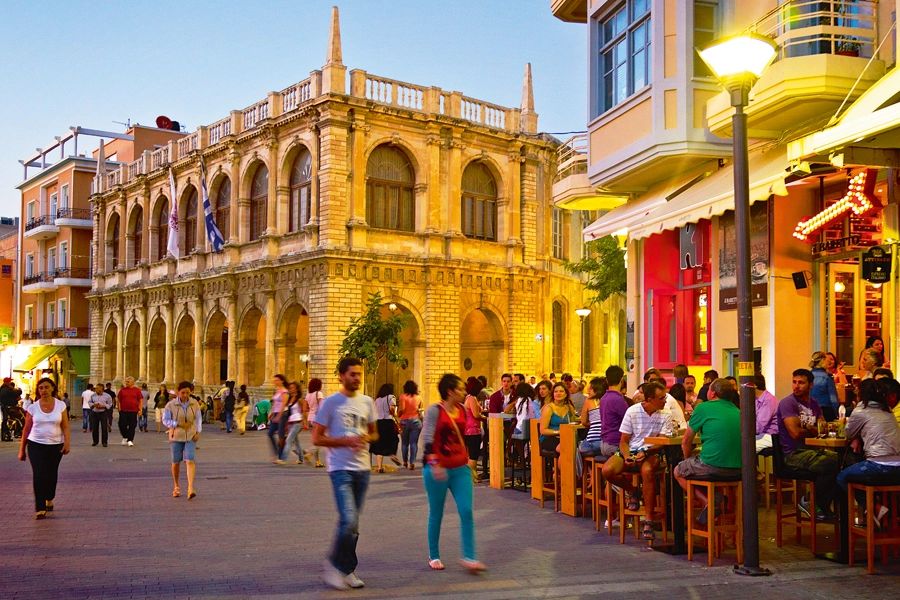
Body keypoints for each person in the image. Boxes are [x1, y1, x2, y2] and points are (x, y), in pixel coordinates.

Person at [312, 357, 377, 590]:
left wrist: (365, 439)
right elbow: (317, 437)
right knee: (349, 520)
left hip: (362, 470)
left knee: (353, 524)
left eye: (359, 374)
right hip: (340, 469)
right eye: (352, 374)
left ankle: (347, 570)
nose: (357, 378)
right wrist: (344, 441)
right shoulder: (330, 403)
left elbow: (374, 433)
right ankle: (333, 565)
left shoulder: (367, 402)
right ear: (341, 375)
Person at [422, 373, 486, 573]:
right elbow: (427, 439)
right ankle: (434, 555)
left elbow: (462, 438)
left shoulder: (461, 409)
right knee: (437, 512)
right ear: (450, 391)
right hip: (437, 469)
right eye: (459, 389)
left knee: (466, 511)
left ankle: (470, 557)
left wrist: (469, 463)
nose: (464, 391)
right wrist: (435, 463)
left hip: (460, 468)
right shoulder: (434, 411)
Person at [602, 380, 673, 539]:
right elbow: (624, 441)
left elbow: (661, 442)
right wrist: (627, 456)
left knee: (647, 471)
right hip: (632, 450)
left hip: (651, 452)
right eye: (661, 398)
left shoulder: (666, 413)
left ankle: (648, 519)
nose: (665, 400)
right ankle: (632, 490)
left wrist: (645, 452)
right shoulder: (633, 411)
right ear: (649, 400)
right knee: (607, 470)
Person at [674, 378, 742, 524]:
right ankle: (719, 504)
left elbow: (686, 441)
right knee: (695, 466)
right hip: (738, 470)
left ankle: (709, 502)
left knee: (679, 471)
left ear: (712, 394)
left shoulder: (703, 408)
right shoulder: (739, 411)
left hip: (713, 467)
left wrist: (686, 459)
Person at [778, 368, 840, 519]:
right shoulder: (788, 403)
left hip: (812, 451)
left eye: (801, 383)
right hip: (793, 454)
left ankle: (821, 503)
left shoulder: (814, 404)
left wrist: (808, 428)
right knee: (832, 462)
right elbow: (795, 433)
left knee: (845, 460)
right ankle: (810, 501)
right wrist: (813, 429)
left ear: (810, 385)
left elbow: (823, 429)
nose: (796, 386)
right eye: (794, 382)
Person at [837, 377, 900, 521]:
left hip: (879, 466)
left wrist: (855, 436)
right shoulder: (887, 411)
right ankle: (880, 515)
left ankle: (873, 508)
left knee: (842, 477)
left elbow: (847, 434)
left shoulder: (861, 410)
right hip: (898, 467)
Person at [17, 377, 70, 519]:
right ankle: (40, 508)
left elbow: (65, 426)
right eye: (41, 388)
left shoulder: (60, 406)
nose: (44, 390)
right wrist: (22, 450)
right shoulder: (32, 407)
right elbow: (26, 430)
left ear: (52, 388)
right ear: (38, 390)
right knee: (39, 474)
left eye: (46, 387)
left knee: (51, 474)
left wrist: (67, 443)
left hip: (55, 445)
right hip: (35, 445)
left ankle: (49, 497)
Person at [164, 381, 202, 499]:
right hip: (176, 436)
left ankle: (190, 487)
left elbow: (198, 419)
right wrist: (178, 424)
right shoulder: (170, 405)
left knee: (189, 460)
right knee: (176, 462)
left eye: (188, 393)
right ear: (178, 392)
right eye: (183, 392)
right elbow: (166, 420)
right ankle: (176, 485)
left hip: (190, 435)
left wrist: (198, 432)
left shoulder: (194, 403)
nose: (185, 395)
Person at [576, 377, 608, 476]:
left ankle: (581, 476)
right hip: (607, 444)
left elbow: (584, 421)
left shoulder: (589, 401)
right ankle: (594, 475)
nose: (588, 391)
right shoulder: (608, 400)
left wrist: (593, 423)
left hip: (593, 444)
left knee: (576, 448)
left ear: (597, 389)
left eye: (590, 388)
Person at [599, 366, 629, 460]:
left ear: (607, 380)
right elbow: (628, 421)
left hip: (604, 444)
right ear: (621, 380)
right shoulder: (618, 399)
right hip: (615, 446)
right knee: (635, 457)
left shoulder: (603, 398)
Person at [539, 382, 577, 454]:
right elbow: (543, 430)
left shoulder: (569, 407)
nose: (558, 393)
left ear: (566, 394)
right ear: (553, 394)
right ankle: (565, 465)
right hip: (549, 438)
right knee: (566, 446)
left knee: (575, 444)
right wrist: (559, 432)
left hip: (565, 437)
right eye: (556, 391)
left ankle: (568, 465)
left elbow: (572, 425)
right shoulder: (548, 408)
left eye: (561, 391)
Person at [370, 383, 401, 472]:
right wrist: (395, 416)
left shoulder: (377, 399)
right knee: (394, 439)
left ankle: (379, 467)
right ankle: (392, 454)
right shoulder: (391, 397)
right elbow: (392, 409)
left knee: (379, 443)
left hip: (379, 422)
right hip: (388, 421)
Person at [398, 380, 423, 470]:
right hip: (416, 421)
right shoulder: (419, 397)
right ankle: (412, 462)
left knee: (404, 443)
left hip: (404, 421)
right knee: (414, 443)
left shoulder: (403, 397)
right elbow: (420, 409)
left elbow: (402, 409)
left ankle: (405, 462)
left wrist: (398, 414)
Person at [462, 377, 485, 476]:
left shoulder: (467, 397)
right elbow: (476, 414)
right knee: (473, 455)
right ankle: (472, 475)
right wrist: (484, 418)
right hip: (473, 430)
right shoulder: (472, 398)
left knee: (469, 454)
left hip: (467, 430)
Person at [810, 351, 840, 421]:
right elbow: (833, 398)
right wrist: (836, 412)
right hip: (825, 410)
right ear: (823, 361)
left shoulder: (808, 375)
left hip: (811, 409)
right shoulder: (827, 377)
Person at [753, 373, 778, 451]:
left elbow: (758, 427)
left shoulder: (769, 400)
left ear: (754, 385)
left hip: (771, 436)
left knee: (746, 448)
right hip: (762, 434)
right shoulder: (756, 400)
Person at [283, 381, 306, 464]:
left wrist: (304, 423)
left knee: (288, 440)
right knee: (296, 441)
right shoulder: (289, 399)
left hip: (297, 422)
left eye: (293, 388)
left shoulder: (300, 399)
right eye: (290, 388)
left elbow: (304, 412)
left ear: (297, 389)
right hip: (290, 422)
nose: (291, 390)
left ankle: (283, 458)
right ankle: (301, 458)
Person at [268, 374, 289, 463]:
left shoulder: (285, 392)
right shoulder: (277, 391)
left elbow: (283, 404)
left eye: (277, 380)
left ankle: (280, 457)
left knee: (281, 436)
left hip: (282, 414)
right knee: (270, 433)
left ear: (282, 381)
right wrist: (272, 413)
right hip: (276, 413)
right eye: (274, 380)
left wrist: (279, 415)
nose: (275, 381)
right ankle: (277, 451)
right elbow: (275, 403)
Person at [116, 376, 142, 447]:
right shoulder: (122, 390)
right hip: (123, 410)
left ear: (132, 382)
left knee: (132, 426)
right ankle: (125, 436)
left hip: (133, 411)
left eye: (128, 381)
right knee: (122, 425)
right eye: (126, 381)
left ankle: (130, 440)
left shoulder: (137, 390)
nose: (126, 383)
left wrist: (140, 409)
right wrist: (119, 408)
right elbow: (118, 400)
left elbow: (140, 400)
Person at [305, 379, 324, 466]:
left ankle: (317, 462)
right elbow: (322, 407)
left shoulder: (308, 395)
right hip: (317, 419)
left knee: (316, 440)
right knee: (321, 439)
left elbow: (305, 408)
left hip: (310, 418)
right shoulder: (319, 393)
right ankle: (309, 453)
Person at [2, 377, 21, 441]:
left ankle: (6, 435)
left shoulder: (3, 389)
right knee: (17, 418)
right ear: (6, 382)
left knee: (5, 421)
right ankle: (9, 434)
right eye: (9, 382)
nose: (10, 383)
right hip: (7, 407)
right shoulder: (7, 389)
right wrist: (15, 390)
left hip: (5, 407)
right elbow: (17, 393)